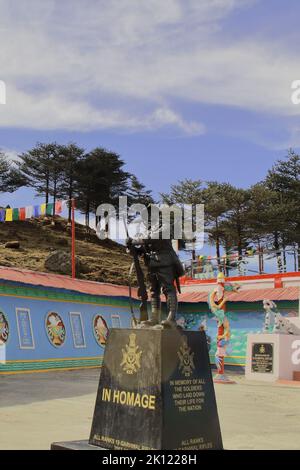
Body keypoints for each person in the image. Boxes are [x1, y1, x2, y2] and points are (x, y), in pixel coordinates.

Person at [126, 232, 184, 329]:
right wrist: (131, 246)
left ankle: (171, 318)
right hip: (151, 263)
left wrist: (135, 241)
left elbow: (152, 238)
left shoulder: (164, 225)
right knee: (153, 290)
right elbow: (144, 248)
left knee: (168, 289)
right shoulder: (149, 229)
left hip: (165, 261)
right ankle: (154, 318)